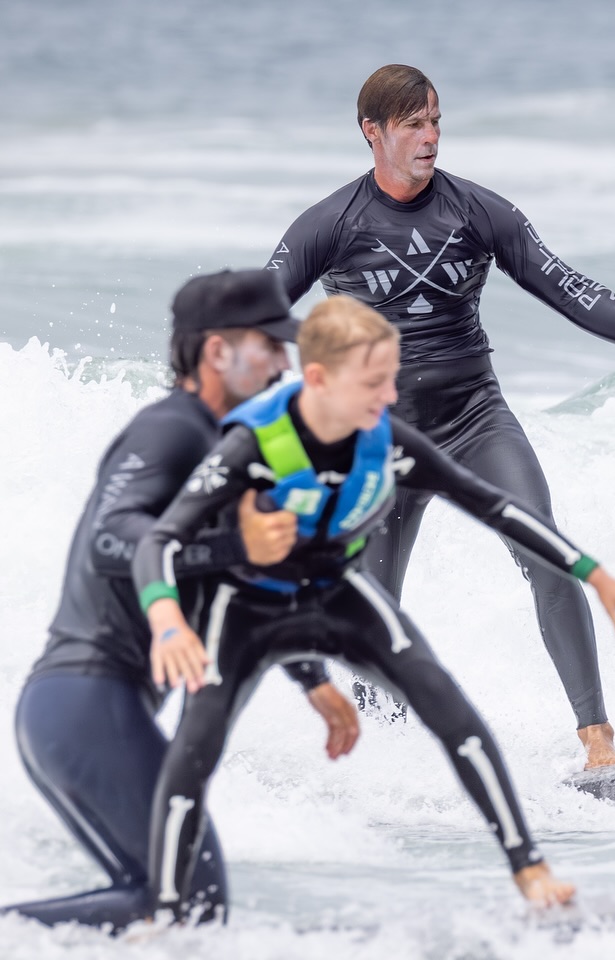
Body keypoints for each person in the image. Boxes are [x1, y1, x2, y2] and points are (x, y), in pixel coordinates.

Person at [131, 296, 615, 920]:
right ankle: (162, 910)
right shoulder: (250, 445)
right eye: (374, 382)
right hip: (251, 611)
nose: (389, 398)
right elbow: (159, 542)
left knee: (453, 713)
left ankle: (530, 867)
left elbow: (492, 504)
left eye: (391, 378)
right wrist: (167, 618)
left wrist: (592, 573)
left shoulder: (385, 441)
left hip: (336, 593)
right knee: (195, 750)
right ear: (320, 379)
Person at [266, 63, 615, 767]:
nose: (430, 136)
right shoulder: (329, 224)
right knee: (373, 606)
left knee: (547, 554)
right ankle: (387, 762)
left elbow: (568, 286)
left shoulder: (476, 211)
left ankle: (598, 741)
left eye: (436, 120)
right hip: (378, 440)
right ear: (372, 133)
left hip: (475, 419)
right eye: (414, 123)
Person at [6, 270, 359, 930]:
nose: (285, 362)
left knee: (165, 904)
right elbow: (114, 539)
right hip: (83, 698)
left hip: (84, 708)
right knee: (187, 905)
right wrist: (235, 549)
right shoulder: (172, 429)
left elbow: (242, 585)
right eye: (269, 344)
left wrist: (312, 679)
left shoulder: (232, 448)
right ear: (216, 350)